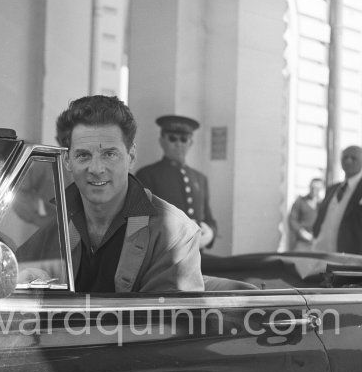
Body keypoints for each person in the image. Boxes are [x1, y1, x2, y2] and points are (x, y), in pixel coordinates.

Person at [17, 95, 204, 292]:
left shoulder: (175, 235)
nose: (96, 168)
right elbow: (7, 278)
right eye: (83, 155)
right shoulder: (58, 226)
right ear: (67, 161)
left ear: (131, 157)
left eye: (109, 154)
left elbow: (172, 320)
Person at [135, 115, 217, 250]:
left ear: (190, 143)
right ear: (162, 141)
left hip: (197, 257)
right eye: (172, 139)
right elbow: (140, 221)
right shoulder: (147, 175)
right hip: (164, 256)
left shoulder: (200, 179)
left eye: (184, 139)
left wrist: (210, 234)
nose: (178, 144)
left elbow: (209, 218)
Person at [313, 146, 362, 256]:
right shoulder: (332, 189)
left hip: (351, 260)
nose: (348, 161)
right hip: (321, 253)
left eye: (353, 158)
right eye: (345, 157)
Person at [288, 177, 325, 251]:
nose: (314, 190)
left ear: (321, 189)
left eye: (317, 188)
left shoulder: (323, 204)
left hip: (318, 242)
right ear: (309, 187)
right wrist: (301, 232)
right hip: (302, 242)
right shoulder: (300, 201)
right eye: (312, 188)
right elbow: (292, 220)